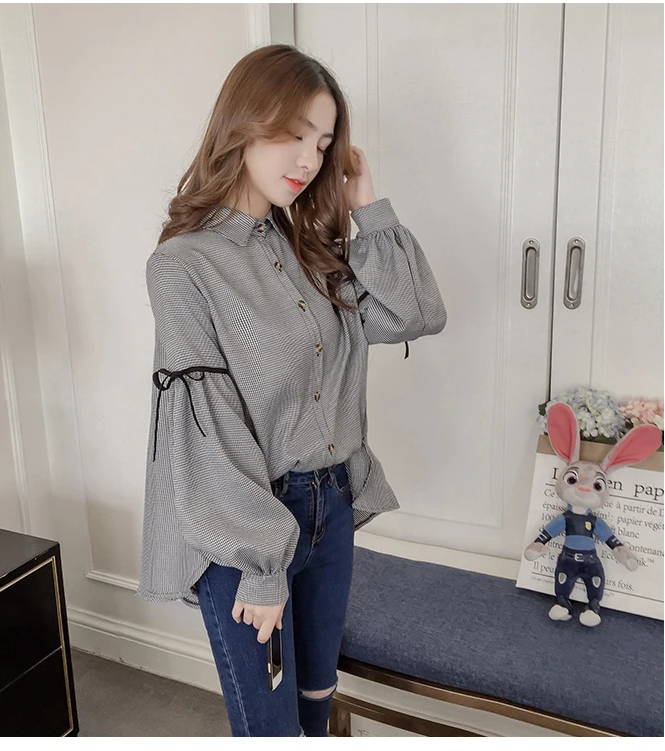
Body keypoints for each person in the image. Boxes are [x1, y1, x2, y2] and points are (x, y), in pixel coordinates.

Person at [136, 43, 447, 737]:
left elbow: (415, 315)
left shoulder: (311, 250)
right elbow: (206, 430)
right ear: (243, 125)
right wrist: (261, 565)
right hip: (246, 524)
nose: (308, 159)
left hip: (331, 507)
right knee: (272, 731)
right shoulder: (183, 266)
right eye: (294, 134)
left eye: (324, 142)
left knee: (315, 707)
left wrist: (367, 205)